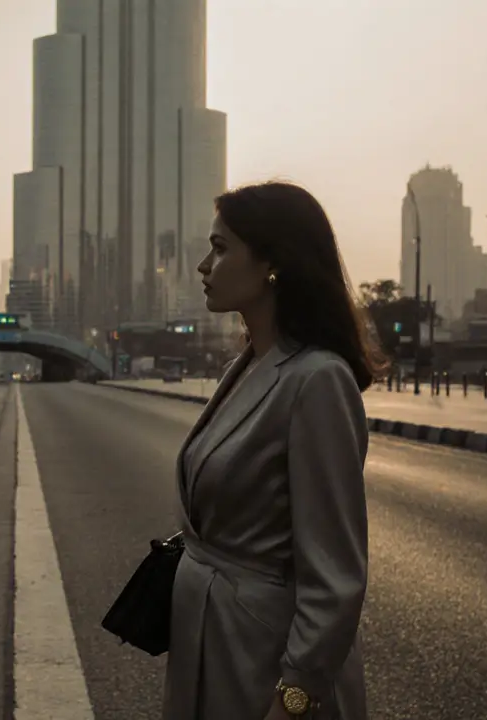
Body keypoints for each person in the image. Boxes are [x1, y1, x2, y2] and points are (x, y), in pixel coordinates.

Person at [163, 181, 387, 720]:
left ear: (272, 264)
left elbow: (335, 576)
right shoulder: (243, 368)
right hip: (212, 644)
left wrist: (295, 696)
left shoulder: (318, 381)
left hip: (263, 662)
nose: (202, 266)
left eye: (220, 249)